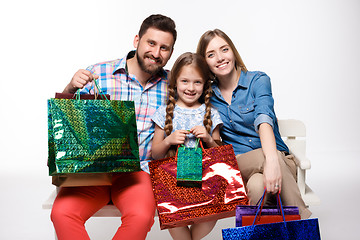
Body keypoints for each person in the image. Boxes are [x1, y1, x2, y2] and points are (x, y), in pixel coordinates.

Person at [50, 14, 177, 240]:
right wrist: (70, 88)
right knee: (62, 213)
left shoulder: (174, 85)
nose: (156, 53)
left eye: (164, 48)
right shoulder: (99, 73)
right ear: (137, 40)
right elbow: (68, 123)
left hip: (138, 173)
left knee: (141, 215)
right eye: (151, 43)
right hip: (94, 170)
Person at [196, 29, 312, 219]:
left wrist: (272, 160)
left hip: (279, 161)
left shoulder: (258, 80)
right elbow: (182, 84)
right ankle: (303, 225)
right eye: (211, 54)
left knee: (258, 186)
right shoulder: (207, 95)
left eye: (224, 49)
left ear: (232, 51)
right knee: (262, 163)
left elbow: (264, 119)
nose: (219, 58)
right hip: (239, 165)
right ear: (205, 62)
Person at [151, 52, 223, 240]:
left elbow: (220, 156)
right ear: (175, 82)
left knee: (215, 206)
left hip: (204, 182)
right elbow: (155, 154)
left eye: (197, 82)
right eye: (185, 81)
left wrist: (208, 138)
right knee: (172, 214)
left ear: (205, 84)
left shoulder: (211, 113)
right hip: (172, 182)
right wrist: (168, 140)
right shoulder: (164, 112)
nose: (191, 88)